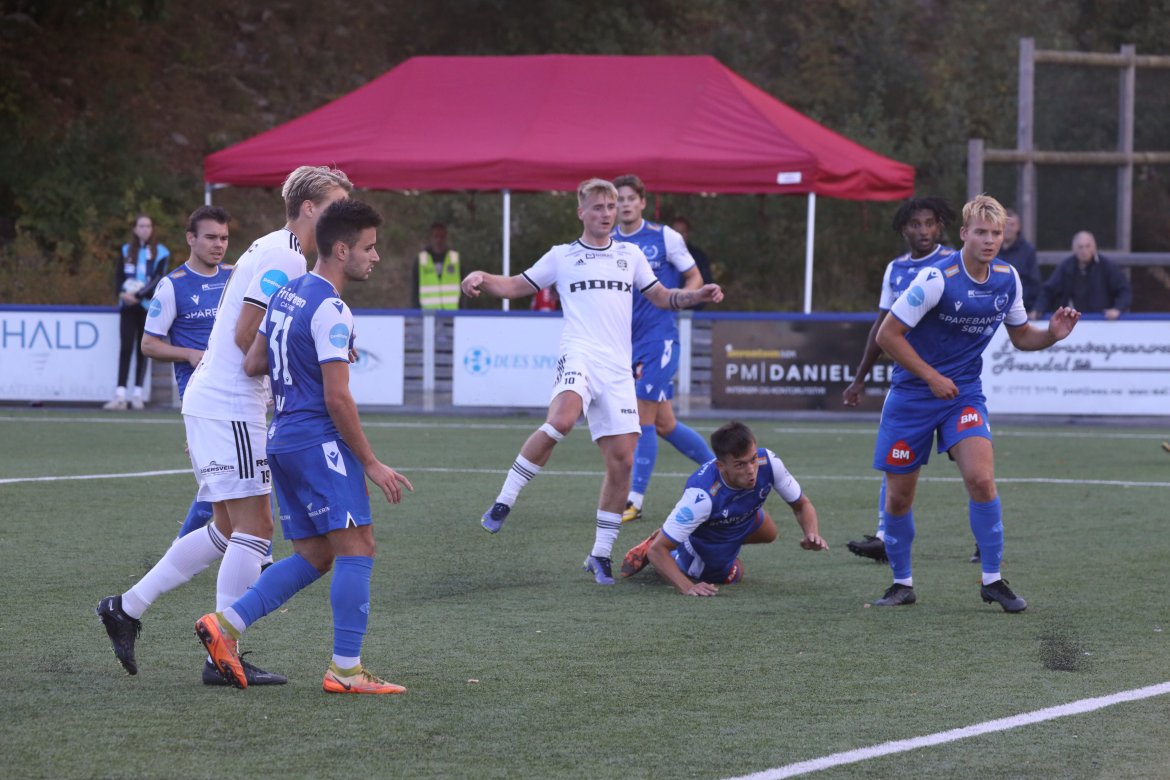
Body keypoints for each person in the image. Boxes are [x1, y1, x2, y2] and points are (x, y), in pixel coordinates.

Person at [95, 166, 351, 684]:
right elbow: (245, 337)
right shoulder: (285, 254)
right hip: (232, 401)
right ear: (307, 208)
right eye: (335, 205)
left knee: (228, 528)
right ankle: (222, 652)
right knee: (255, 529)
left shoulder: (275, 247)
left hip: (221, 400)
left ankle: (126, 607)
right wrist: (297, 378)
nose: (342, 217)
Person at [195, 199, 413, 694]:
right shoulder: (333, 307)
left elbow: (254, 362)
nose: (375, 257)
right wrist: (371, 462)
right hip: (319, 442)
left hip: (283, 438)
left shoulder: (289, 292)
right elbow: (338, 398)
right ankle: (346, 670)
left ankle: (225, 625)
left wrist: (310, 356)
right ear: (341, 249)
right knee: (359, 547)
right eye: (368, 248)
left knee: (315, 555)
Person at [462, 178, 723, 585]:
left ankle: (600, 554)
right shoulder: (562, 256)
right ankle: (503, 501)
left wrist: (697, 295)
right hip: (579, 354)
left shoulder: (631, 255)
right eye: (598, 207)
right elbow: (515, 285)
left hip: (617, 368)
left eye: (611, 206)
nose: (606, 213)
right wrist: (482, 276)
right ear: (581, 212)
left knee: (622, 460)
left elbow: (661, 296)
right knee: (563, 419)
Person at [869, 194, 1080, 612]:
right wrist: (930, 376)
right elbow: (886, 336)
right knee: (899, 498)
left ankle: (993, 579)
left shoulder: (1008, 278)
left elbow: (1022, 338)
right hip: (913, 396)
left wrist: (1052, 335)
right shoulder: (935, 278)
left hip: (963, 394)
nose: (989, 240)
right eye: (981, 232)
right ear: (964, 234)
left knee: (982, 479)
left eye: (996, 233)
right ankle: (902, 583)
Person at [842, 197, 958, 564]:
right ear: (903, 229)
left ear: (939, 226)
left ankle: (983, 539)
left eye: (929, 223)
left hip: (952, 378)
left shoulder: (955, 262)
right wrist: (859, 378)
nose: (923, 231)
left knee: (971, 461)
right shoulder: (895, 270)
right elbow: (882, 327)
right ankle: (884, 537)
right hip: (908, 381)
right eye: (915, 224)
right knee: (897, 458)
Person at [611, 174, 715, 525]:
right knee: (666, 424)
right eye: (617, 200)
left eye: (629, 198)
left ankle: (634, 501)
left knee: (642, 420)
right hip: (626, 344)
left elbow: (694, 277)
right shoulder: (607, 242)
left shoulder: (664, 237)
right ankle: (721, 471)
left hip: (660, 340)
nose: (623, 204)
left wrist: (681, 300)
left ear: (642, 201)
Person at [619, 421, 827, 595]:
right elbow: (657, 552)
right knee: (733, 575)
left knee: (770, 533)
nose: (751, 470)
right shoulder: (701, 496)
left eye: (752, 460)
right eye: (740, 464)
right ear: (721, 466)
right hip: (706, 541)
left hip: (743, 519)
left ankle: (692, 537)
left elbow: (802, 504)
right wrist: (688, 587)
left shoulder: (768, 461)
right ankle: (676, 547)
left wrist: (811, 533)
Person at [141, 205, 234, 539]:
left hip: (238, 391)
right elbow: (149, 345)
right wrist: (190, 354)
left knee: (233, 482)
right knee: (226, 482)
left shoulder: (235, 277)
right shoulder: (172, 286)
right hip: (201, 395)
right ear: (191, 239)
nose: (218, 244)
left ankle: (187, 552)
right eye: (210, 237)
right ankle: (256, 558)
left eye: (223, 237)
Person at [103, 214, 170, 410]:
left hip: (148, 308)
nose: (144, 229)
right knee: (125, 348)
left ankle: (138, 395)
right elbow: (118, 276)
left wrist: (139, 295)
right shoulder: (126, 250)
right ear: (134, 229)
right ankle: (120, 395)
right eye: (141, 226)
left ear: (152, 229)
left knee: (143, 349)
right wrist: (122, 294)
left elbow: (159, 278)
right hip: (127, 307)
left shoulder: (161, 252)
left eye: (148, 226)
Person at [1030, 231, 1132, 320]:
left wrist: (1117, 309)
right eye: (1080, 247)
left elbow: (1124, 291)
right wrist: (1038, 309)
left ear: (1094, 247)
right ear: (1074, 249)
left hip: (1103, 322)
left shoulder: (1107, 266)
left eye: (1087, 246)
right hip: (1073, 322)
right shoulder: (1066, 267)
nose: (1084, 250)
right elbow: (1048, 290)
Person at [998, 208, 1041, 311]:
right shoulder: (991, 249)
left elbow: (1034, 283)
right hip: (993, 309)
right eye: (1005, 224)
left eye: (1012, 224)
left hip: (1020, 308)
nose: (1008, 228)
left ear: (1018, 227)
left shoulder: (1028, 251)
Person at [412, 222, 461, 309]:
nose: (439, 240)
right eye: (436, 236)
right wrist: (415, 311)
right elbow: (415, 289)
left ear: (446, 237)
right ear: (430, 238)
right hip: (428, 314)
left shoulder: (455, 259)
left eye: (442, 237)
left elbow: (464, 286)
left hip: (452, 312)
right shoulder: (421, 259)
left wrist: (463, 311)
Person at [670, 216, 714, 287]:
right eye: (675, 232)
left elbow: (707, 282)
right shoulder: (662, 254)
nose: (678, 236)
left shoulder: (699, 256)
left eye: (682, 232)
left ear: (688, 234)